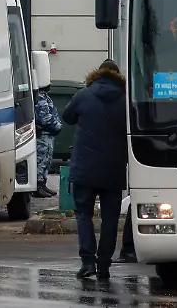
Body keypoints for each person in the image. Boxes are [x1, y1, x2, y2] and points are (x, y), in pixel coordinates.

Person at [63, 59, 127, 280]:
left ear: (98, 73)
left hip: (85, 168)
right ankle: (104, 266)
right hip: (114, 169)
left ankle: (88, 263)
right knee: (110, 219)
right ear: (118, 75)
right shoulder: (127, 99)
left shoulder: (84, 94)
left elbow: (67, 117)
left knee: (83, 215)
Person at [34, 82, 63, 198]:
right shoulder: (40, 97)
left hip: (48, 134)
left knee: (46, 160)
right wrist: (57, 126)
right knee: (41, 160)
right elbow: (44, 117)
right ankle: (37, 186)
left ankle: (42, 184)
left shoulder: (44, 96)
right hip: (43, 134)